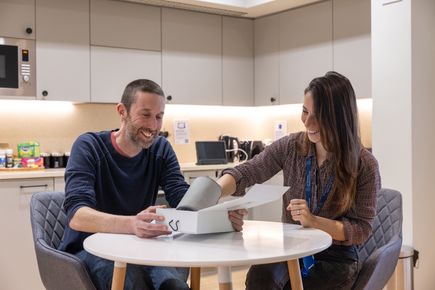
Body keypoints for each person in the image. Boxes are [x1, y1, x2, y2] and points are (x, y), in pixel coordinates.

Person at [216, 71, 381, 290]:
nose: (308, 122)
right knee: (260, 277)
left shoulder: (365, 164)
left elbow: (361, 229)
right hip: (292, 249)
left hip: (335, 258)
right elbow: (248, 171)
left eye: (319, 115)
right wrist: (210, 194)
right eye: (305, 111)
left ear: (340, 118)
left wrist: (314, 221)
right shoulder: (290, 147)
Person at [59, 79, 218, 290]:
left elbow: (181, 196)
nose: (153, 125)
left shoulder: (161, 149)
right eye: (145, 114)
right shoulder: (89, 147)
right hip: (89, 248)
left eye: (159, 117)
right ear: (122, 111)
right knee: (132, 280)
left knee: (173, 284)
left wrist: (220, 215)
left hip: (142, 246)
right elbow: (77, 216)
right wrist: (133, 224)